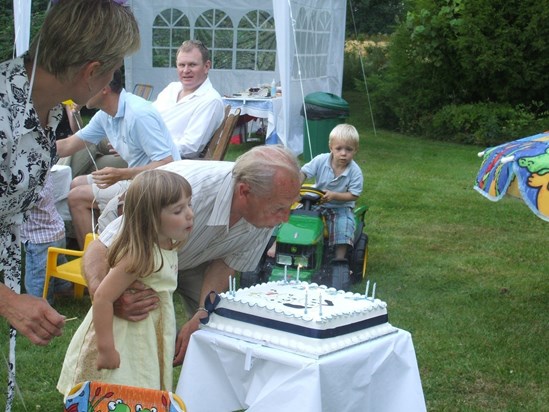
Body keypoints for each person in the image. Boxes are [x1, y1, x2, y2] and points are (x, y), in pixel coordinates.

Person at [0, 0, 140, 409]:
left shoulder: (42, 110)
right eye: (114, 69)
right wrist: (9, 301)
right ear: (90, 70)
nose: (114, 79)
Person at [82, 145, 302, 365]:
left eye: (290, 207)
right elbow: (100, 248)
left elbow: (226, 263)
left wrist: (201, 314)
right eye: (279, 208)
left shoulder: (266, 213)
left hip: (193, 255)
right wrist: (106, 297)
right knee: (136, 323)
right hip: (143, 244)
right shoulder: (189, 193)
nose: (285, 218)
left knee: (214, 325)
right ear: (244, 191)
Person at [57, 169, 193, 396]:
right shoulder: (140, 255)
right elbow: (102, 297)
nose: (189, 214)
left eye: (189, 205)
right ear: (150, 218)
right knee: (117, 389)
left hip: (147, 331)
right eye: (178, 210)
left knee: (140, 388)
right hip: (124, 336)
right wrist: (106, 348)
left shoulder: (168, 243)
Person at [57, 69, 180, 248]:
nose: (81, 91)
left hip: (158, 184)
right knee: (76, 183)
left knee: (76, 197)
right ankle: (105, 244)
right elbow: (69, 145)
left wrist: (122, 174)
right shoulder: (105, 115)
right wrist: (31, 149)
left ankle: (96, 263)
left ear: (104, 87)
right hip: (137, 179)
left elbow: (168, 164)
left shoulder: (138, 114)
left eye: (86, 86)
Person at [301, 123, 364, 260]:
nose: (343, 153)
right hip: (317, 201)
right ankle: (278, 244)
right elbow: (304, 173)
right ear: (331, 147)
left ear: (355, 150)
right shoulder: (320, 160)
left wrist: (334, 195)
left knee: (344, 225)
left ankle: (339, 259)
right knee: (294, 214)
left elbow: (354, 195)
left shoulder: (355, 172)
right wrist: (295, 186)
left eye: (349, 150)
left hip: (340, 207)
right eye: (339, 148)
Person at [153, 39, 225, 159]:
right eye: (181, 65)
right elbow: (148, 118)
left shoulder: (210, 100)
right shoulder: (171, 89)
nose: (186, 71)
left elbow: (190, 148)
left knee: (110, 165)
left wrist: (148, 146)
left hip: (169, 164)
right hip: (147, 152)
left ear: (206, 66)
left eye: (192, 65)